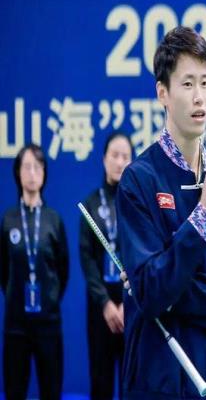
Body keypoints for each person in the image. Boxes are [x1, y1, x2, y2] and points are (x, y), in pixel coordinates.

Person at [115, 26, 206, 400]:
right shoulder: (138, 180)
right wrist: (203, 215)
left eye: (205, 83)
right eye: (188, 83)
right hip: (158, 383)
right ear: (162, 92)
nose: (199, 97)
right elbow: (151, 292)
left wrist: (169, 292)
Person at [0, 144, 69, 400]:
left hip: (48, 324)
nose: (32, 173)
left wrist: (49, 298)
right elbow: (3, 271)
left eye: (37, 167)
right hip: (16, 325)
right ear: (17, 173)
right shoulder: (8, 220)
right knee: (15, 391)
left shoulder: (53, 220)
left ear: (44, 173)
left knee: (51, 391)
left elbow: (63, 270)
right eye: (26, 167)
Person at [79, 131, 133, 399]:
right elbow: (87, 259)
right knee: (100, 382)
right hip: (101, 309)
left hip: (131, 306)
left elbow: (143, 256)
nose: (120, 162)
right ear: (104, 159)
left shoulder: (137, 205)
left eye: (125, 156)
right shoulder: (89, 205)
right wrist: (105, 303)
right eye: (115, 155)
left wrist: (127, 303)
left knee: (131, 383)